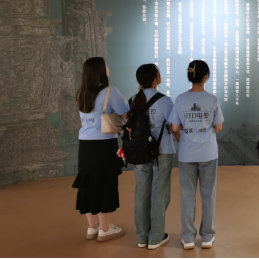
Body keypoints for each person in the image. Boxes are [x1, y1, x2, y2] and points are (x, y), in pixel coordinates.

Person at [169, 60, 224, 250]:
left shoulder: (180, 99)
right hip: (208, 153)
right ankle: (207, 237)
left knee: (187, 196)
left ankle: (188, 238)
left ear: (189, 77)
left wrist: (184, 140)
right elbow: (218, 127)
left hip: (186, 154)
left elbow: (174, 127)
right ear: (205, 77)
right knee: (208, 195)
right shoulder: (212, 99)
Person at [73, 57, 129, 242]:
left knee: (88, 183)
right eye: (106, 65)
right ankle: (105, 229)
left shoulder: (81, 93)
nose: (108, 68)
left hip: (85, 145)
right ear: (101, 70)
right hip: (104, 144)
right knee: (106, 183)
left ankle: (92, 228)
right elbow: (125, 112)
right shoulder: (110, 91)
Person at [130, 64, 181, 250]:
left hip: (139, 152)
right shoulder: (165, 101)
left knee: (141, 193)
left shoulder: (134, 99)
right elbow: (173, 127)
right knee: (160, 193)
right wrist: (183, 144)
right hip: (162, 151)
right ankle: (156, 237)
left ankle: (142, 237)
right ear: (155, 78)